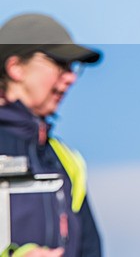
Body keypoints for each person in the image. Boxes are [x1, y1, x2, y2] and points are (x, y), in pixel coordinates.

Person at [0, 13, 103, 257]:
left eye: (73, 67)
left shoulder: (66, 159)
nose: (71, 77)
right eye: (60, 63)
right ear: (15, 67)